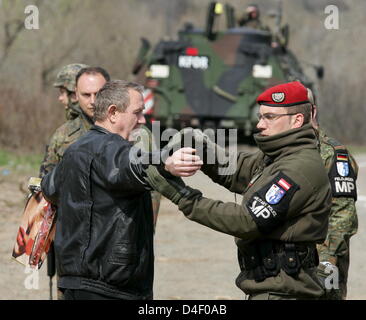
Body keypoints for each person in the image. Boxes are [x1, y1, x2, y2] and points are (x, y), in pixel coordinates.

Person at [144, 81, 332, 300]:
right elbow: (237, 171)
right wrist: (201, 147)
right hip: (271, 287)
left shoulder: (299, 166)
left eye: (269, 117)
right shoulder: (279, 155)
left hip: (284, 291)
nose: (260, 125)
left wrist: (182, 196)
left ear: (297, 120)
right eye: (260, 117)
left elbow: (246, 221)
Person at [41, 80, 155, 300]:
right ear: (113, 113)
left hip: (74, 281)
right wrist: (167, 163)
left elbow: (49, 188)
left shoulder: (76, 149)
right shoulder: (117, 150)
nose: (142, 120)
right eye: (138, 113)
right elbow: (129, 165)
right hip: (110, 286)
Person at [308, 88, 358, 300]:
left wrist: (326, 260)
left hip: (324, 261)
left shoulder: (332, 153)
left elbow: (342, 216)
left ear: (312, 112)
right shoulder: (281, 152)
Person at [39, 67, 110, 177]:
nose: (93, 101)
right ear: (76, 93)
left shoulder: (127, 129)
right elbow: (45, 180)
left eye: (98, 94)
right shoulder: (63, 134)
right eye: (86, 95)